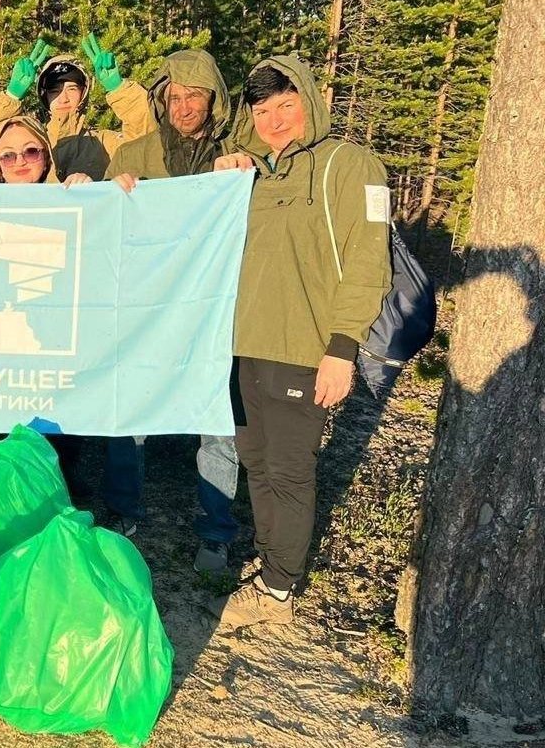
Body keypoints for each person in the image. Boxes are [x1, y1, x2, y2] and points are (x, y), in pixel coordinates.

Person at [211, 54, 391, 627]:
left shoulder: (350, 164)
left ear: (310, 102)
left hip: (305, 350)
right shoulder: (256, 176)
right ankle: (272, 564)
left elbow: (369, 260)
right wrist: (227, 173)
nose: (275, 120)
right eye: (263, 110)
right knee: (256, 462)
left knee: (288, 469)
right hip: (247, 347)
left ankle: (278, 590)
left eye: (286, 105)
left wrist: (342, 347)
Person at [102, 48, 241, 574]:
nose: (184, 106)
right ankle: (123, 512)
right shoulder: (134, 152)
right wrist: (110, 191)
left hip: (213, 311)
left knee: (216, 422)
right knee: (128, 415)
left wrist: (248, 170)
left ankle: (216, 529)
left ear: (214, 99)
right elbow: (102, 227)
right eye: (175, 97)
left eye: (195, 96)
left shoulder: (236, 152)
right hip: (145, 309)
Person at [0, 102, 93, 492]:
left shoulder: (74, 198)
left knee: (51, 462)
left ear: (46, 155)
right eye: (8, 154)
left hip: (50, 357)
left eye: (31, 151)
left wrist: (105, 193)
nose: (20, 161)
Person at [0, 34, 155, 181]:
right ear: (44, 95)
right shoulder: (31, 141)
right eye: (55, 90)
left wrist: (120, 89)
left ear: (84, 92)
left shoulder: (104, 143)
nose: (63, 98)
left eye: (71, 89)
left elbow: (145, 145)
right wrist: (12, 97)